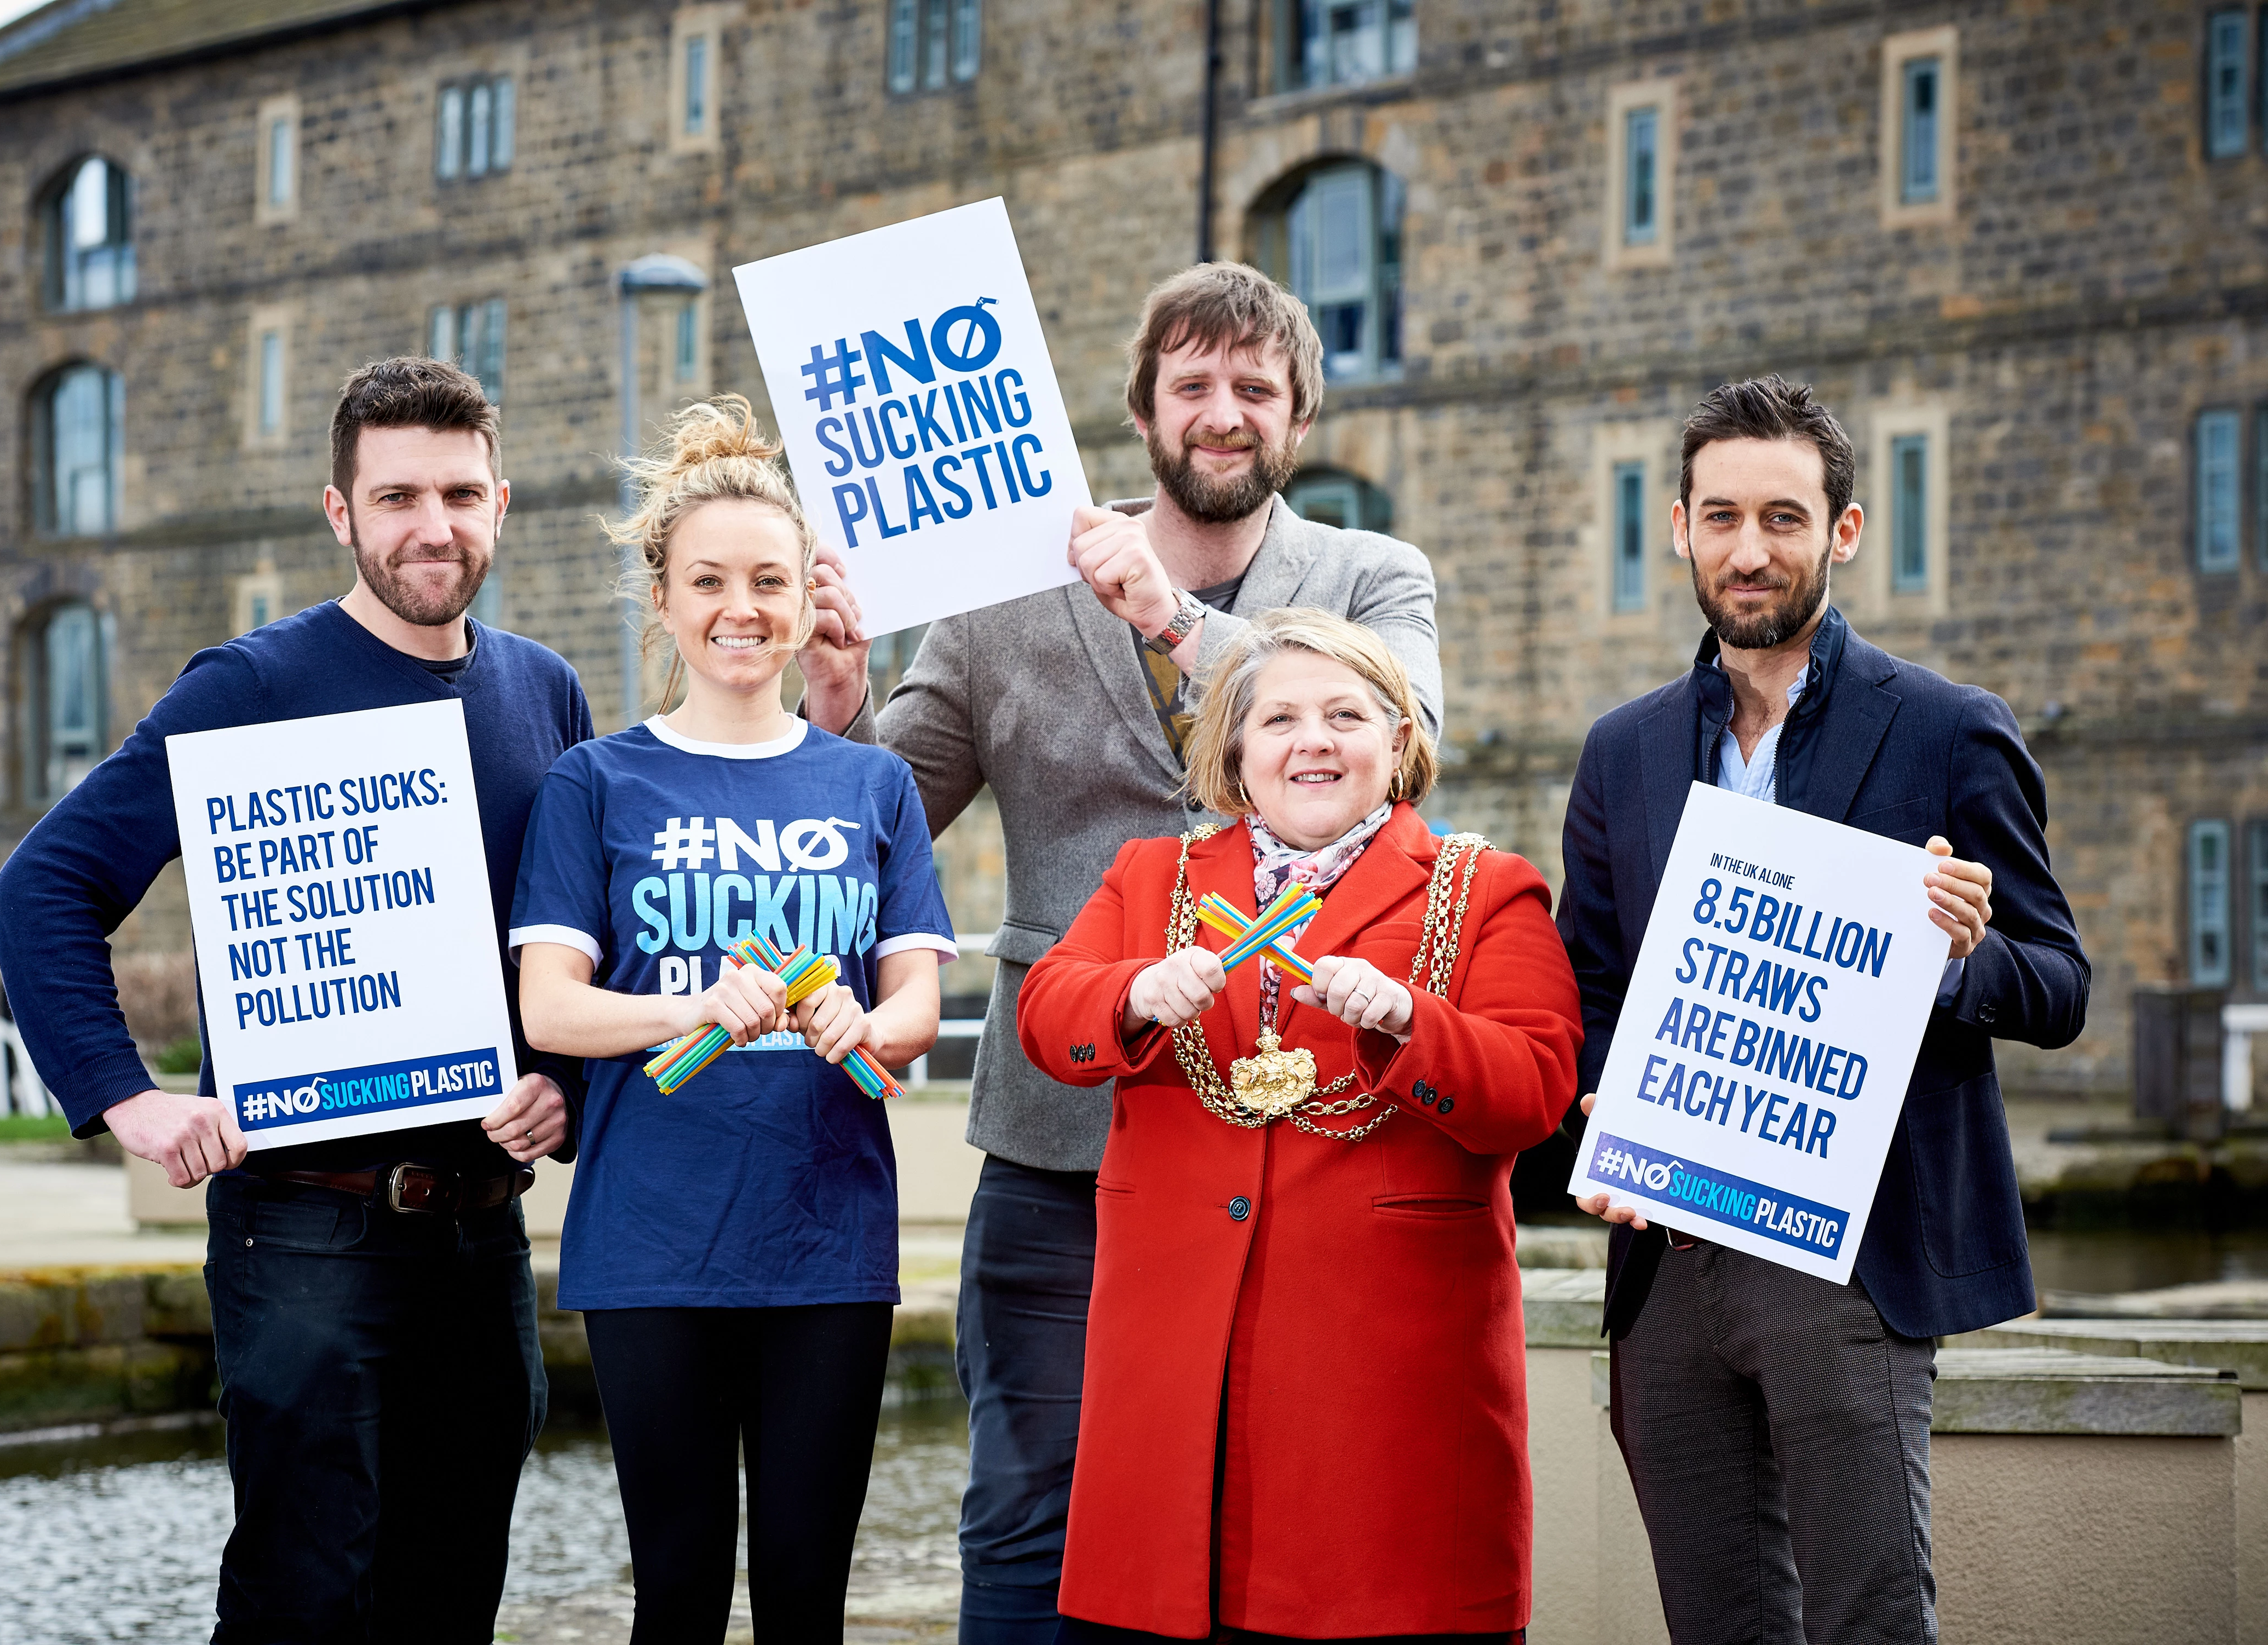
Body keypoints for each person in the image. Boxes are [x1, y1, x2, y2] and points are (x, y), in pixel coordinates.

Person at [797, 261, 1443, 1643]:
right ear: (1142, 409)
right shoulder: (994, 598)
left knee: (1261, 1516)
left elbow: (1404, 767)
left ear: (1298, 419)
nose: (1224, 413)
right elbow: (877, 837)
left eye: (1254, 390)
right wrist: (838, 712)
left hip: (1297, 1141)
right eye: (1194, 384)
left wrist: (1169, 616)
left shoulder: (1376, 577)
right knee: (1028, 1511)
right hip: (1059, 1139)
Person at [0, 356, 595, 1641]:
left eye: (459, 493)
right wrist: (122, 1097)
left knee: (452, 1595)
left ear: (504, 503)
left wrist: (572, 1085)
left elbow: (575, 941)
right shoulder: (251, 688)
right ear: (340, 512)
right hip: (307, 1232)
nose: (432, 526)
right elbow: (44, 886)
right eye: (396, 498)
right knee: (304, 1598)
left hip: (482, 1231)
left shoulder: (543, 690)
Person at [1559, 376, 2089, 1644]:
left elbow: (2060, 983)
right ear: (1678, 526)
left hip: (1849, 1266)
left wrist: (1951, 959)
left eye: (1786, 519)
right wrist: (1595, 1111)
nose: (1753, 550)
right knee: (1717, 1624)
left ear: (1842, 533)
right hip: (1670, 1262)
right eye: (1725, 516)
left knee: (1869, 1620)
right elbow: (1591, 991)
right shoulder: (1622, 748)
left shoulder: (1952, 730)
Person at [1009, 608, 1578, 1642]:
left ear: (1398, 740)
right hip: (1172, 1376)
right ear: (1236, 749)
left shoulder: (1487, 889)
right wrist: (1136, 993)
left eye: (1345, 715)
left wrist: (1412, 1019)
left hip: (1383, 1399)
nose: (1312, 741)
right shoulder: (1153, 877)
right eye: (1279, 719)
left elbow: (1536, 1088)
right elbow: (1047, 1015)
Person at [510, 396, 953, 1642]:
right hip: (653, 1241)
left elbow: (917, 997)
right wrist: (691, 1004)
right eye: (708, 580)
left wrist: (867, 1027)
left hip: (830, 1239)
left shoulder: (873, 780)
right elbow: (551, 1002)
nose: (740, 607)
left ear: (810, 594)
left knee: (809, 1600)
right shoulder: (595, 780)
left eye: (769, 578)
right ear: (664, 599)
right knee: (681, 1594)